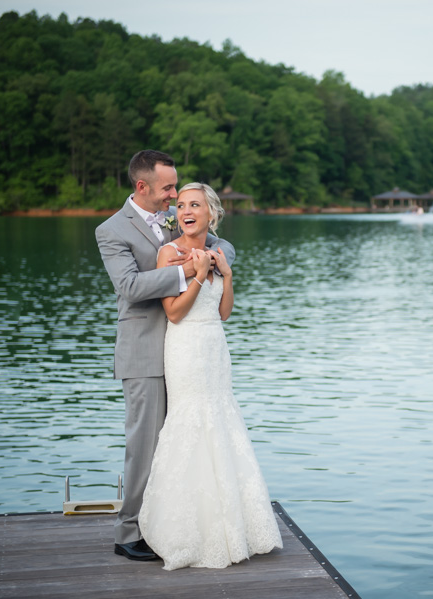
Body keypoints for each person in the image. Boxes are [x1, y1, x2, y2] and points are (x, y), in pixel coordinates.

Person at [95, 150, 235, 561]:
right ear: (143, 187)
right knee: (145, 445)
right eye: (169, 188)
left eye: (177, 188)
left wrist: (216, 259)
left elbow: (219, 240)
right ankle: (128, 534)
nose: (176, 196)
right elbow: (132, 288)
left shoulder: (176, 217)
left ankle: (174, 524)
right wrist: (190, 271)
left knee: (184, 442)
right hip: (144, 352)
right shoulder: (112, 230)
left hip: (188, 352)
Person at [139, 182, 282, 570]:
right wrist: (199, 275)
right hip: (184, 346)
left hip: (215, 347)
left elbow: (224, 313)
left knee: (221, 420)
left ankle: (231, 526)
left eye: (195, 204)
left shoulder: (219, 252)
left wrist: (226, 275)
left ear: (210, 214)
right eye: (181, 204)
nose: (186, 210)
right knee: (190, 422)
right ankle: (185, 530)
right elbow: (173, 313)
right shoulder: (168, 253)